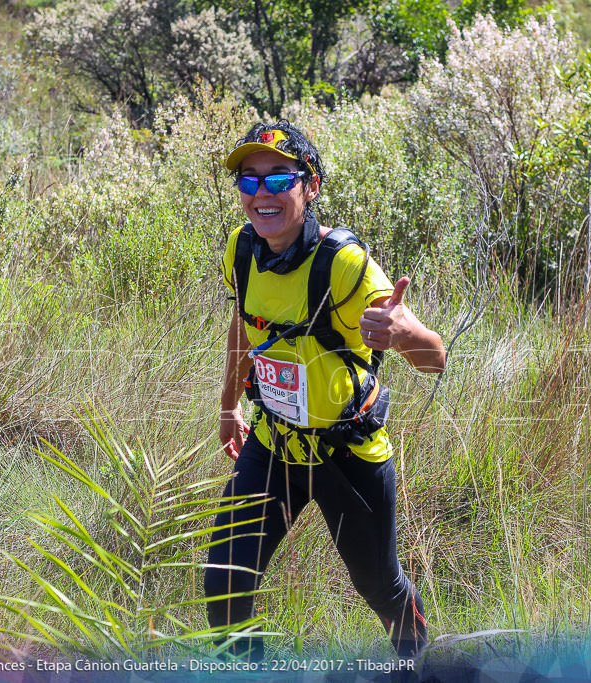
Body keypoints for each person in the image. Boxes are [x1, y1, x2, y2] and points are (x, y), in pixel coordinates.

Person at [204, 121, 446, 661]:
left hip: (347, 457)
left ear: (310, 186)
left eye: (279, 179)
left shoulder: (344, 264)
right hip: (274, 444)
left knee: (380, 589)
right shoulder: (242, 251)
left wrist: (403, 335)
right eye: (249, 181)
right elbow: (245, 325)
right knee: (224, 582)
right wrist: (228, 407)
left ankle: (417, 662)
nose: (262, 194)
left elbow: (435, 358)